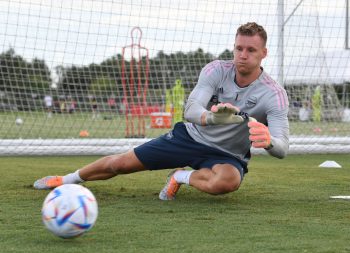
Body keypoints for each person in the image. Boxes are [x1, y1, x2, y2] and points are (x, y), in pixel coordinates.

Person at [34, 22, 289, 201]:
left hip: (227, 155)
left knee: (228, 182)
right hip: (190, 138)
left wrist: (268, 142)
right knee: (120, 164)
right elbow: (190, 109)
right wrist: (211, 117)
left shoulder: (273, 94)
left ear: (263, 53)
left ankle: (180, 176)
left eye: (250, 50)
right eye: (238, 48)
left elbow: (283, 148)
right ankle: (67, 180)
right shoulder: (215, 70)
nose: (242, 55)